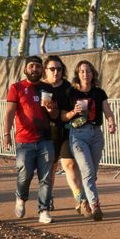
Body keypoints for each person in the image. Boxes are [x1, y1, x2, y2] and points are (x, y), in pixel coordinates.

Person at [60, 60, 116, 221]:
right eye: (82, 71)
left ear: (93, 74)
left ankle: (82, 200)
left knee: (91, 173)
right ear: (78, 74)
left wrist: (111, 122)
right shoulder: (71, 93)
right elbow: (63, 116)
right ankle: (95, 205)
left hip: (96, 134)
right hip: (78, 134)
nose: (86, 74)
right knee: (88, 171)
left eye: (89, 71)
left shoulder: (99, 93)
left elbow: (107, 111)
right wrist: (73, 111)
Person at [2, 56, 55, 224]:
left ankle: (44, 210)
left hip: (45, 139)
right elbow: (10, 112)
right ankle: (20, 198)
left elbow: (53, 115)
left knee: (46, 177)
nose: (35, 69)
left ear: (42, 70)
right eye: (31, 66)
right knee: (24, 175)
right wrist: (6, 134)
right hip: (24, 140)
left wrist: (51, 109)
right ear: (25, 69)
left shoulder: (47, 88)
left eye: (38, 67)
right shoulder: (16, 87)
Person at [41, 56, 85, 214]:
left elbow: (77, 109)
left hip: (65, 131)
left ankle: (79, 198)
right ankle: (47, 198)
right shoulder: (40, 87)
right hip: (46, 133)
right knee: (50, 168)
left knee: (70, 165)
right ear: (45, 70)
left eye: (59, 69)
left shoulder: (68, 87)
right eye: (52, 69)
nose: (55, 72)